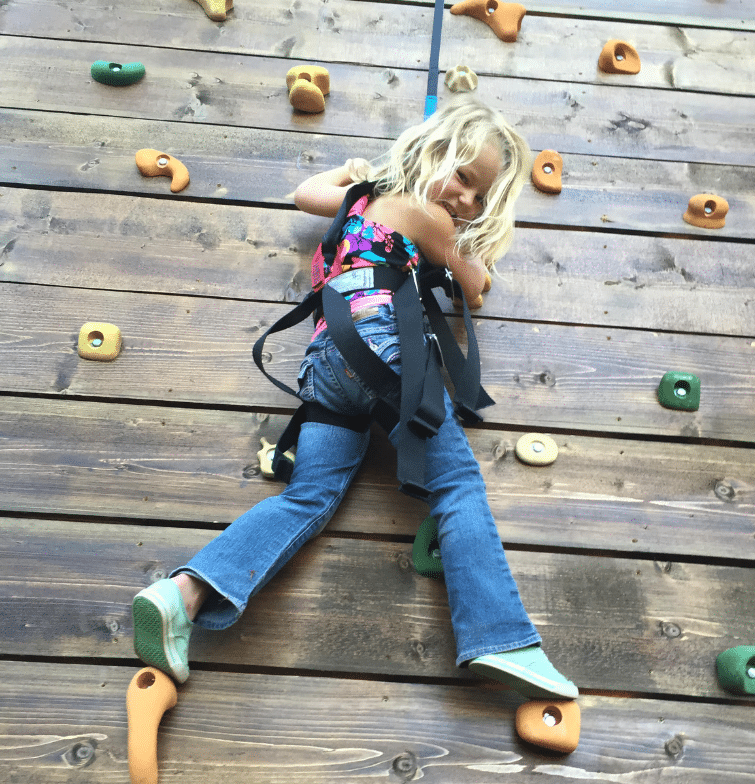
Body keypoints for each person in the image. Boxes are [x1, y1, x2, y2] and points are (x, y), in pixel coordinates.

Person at [132, 95, 578, 701]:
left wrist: (347, 174)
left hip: (327, 361)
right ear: (431, 152)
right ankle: (500, 637)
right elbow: (473, 289)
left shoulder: (361, 201)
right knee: (455, 485)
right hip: (385, 345)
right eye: (465, 180)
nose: (466, 202)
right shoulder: (432, 218)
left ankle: (181, 594)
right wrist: (474, 252)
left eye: (481, 199)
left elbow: (305, 194)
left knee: (308, 497)